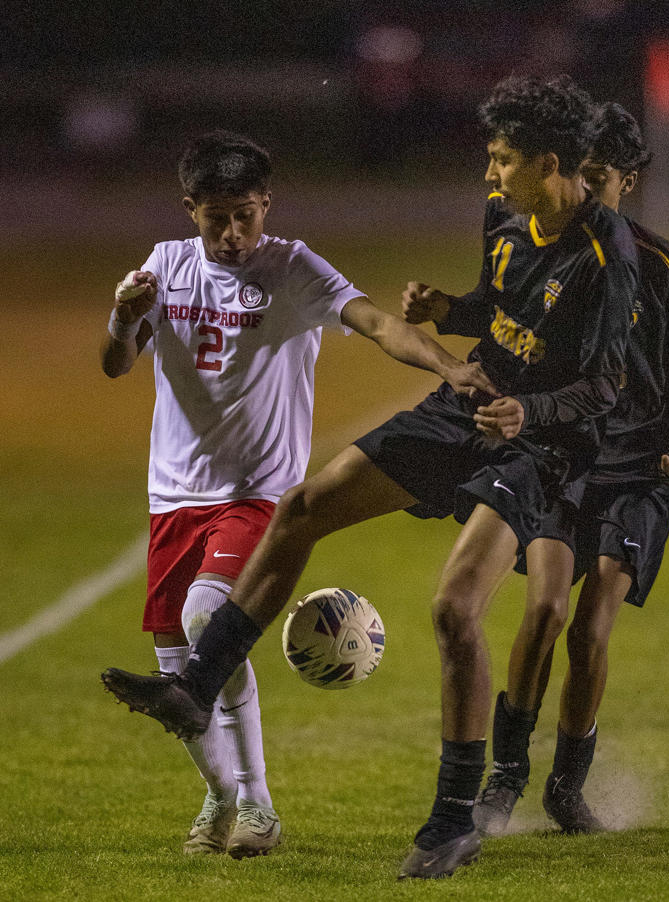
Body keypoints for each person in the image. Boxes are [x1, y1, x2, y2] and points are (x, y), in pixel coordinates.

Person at [100, 76, 637, 879]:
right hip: (469, 403)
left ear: (547, 163)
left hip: (544, 444)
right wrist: (449, 313)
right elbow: (501, 311)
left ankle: (452, 819)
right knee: (303, 505)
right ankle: (197, 686)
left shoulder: (607, 251)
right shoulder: (504, 217)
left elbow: (607, 385)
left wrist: (532, 412)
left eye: (501, 159)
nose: (489, 174)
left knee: (455, 609)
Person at [100, 129, 495, 859]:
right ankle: (220, 797)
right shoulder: (164, 266)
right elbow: (115, 364)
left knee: (205, 617)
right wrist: (126, 314)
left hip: (259, 493)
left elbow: (378, 323)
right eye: (216, 218)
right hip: (173, 495)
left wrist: (447, 365)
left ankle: (258, 806)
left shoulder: (291, 267)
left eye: (245, 215)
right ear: (190, 209)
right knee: (176, 675)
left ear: (266, 204)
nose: (232, 232)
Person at [471, 102, 669, 837]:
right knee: (544, 611)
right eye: (580, 174)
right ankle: (506, 776)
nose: (588, 189)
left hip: (637, 471)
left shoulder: (659, 267)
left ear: (626, 182)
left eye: (600, 176)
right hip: (567, 457)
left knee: (589, 631)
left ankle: (566, 787)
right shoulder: (558, 253)